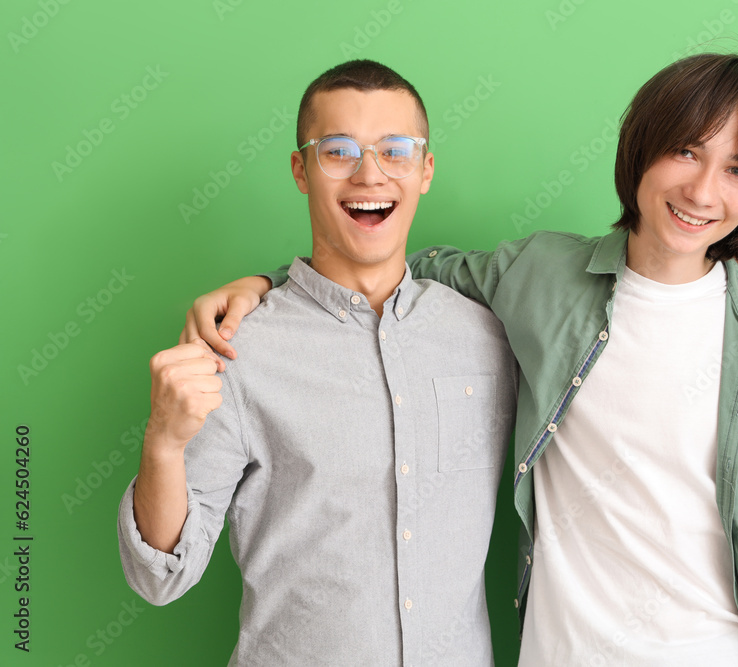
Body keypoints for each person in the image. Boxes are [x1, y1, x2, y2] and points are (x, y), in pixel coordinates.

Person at [183, 54, 738, 667]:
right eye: (685, 151)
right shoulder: (540, 277)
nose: (704, 190)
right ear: (642, 151)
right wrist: (267, 288)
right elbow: (388, 273)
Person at [117, 61, 521, 666]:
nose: (370, 173)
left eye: (396, 150)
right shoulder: (236, 348)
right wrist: (162, 445)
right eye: (338, 150)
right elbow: (161, 576)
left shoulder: (490, 336)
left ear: (426, 169)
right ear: (301, 171)